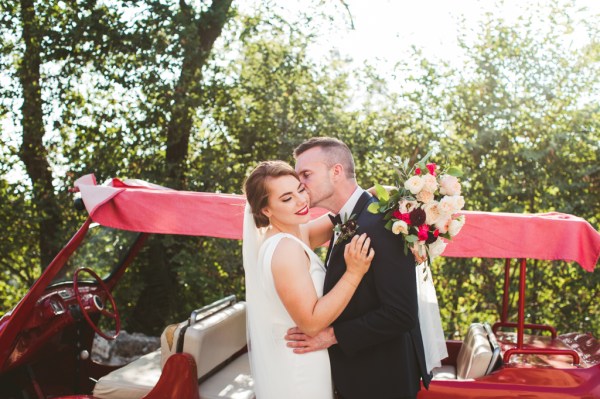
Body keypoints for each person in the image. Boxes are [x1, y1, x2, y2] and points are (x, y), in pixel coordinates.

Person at [286, 137, 432, 399]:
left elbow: (401, 313)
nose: (301, 185)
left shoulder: (382, 224)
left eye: (306, 174)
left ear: (337, 171)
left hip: (382, 380)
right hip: (358, 375)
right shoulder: (348, 218)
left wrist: (330, 336)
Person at [242, 160, 375, 399]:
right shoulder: (285, 250)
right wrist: (354, 274)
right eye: (286, 198)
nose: (301, 201)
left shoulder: (294, 233)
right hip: (299, 369)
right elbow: (311, 324)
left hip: (307, 359)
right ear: (266, 210)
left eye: (300, 190)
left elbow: (347, 212)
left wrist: (404, 193)